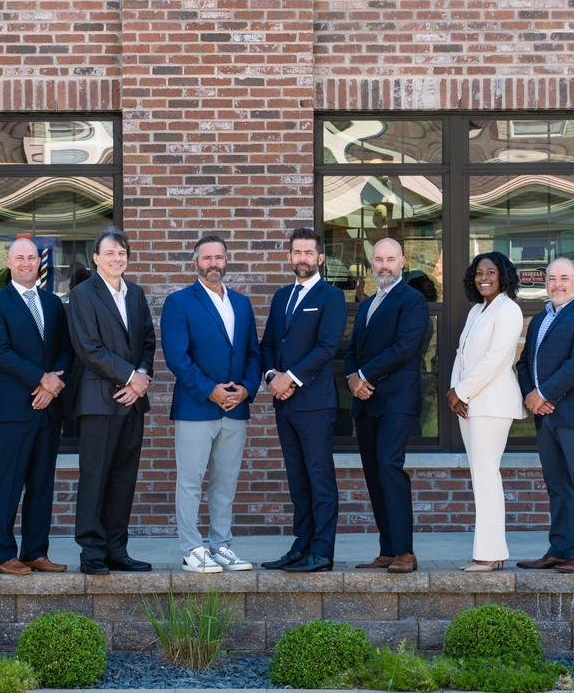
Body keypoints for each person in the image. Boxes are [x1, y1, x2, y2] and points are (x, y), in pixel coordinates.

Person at [160, 234, 260, 573]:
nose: (213, 263)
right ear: (195, 263)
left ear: (226, 261)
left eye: (219, 257)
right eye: (207, 258)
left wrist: (246, 389)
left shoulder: (242, 304)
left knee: (225, 482)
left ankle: (221, 545)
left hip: (236, 407)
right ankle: (192, 549)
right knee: (191, 481)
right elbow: (177, 357)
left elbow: (252, 353)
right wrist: (210, 391)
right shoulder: (179, 302)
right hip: (196, 407)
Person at [0, 238, 74, 576]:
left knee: (41, 483)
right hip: (14, 408)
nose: (26, 263)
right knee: (8, 482)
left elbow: (65, 349)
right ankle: (3, 554)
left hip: (48, 407)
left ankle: (36, 551)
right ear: (9, 262)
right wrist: (41, 379)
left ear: (40, 262)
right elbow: (0, 352)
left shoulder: (53, 303)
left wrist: (53, 384)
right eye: (19, 258)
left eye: (31, 257)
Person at [67, 226, 156, 575]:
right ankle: (92, 552)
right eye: (110, 253)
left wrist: (141, 377)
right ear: (95, 258)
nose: (117, 259)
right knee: (95, 477)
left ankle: (117, 549)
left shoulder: (135, 293)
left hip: (132, 401)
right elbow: (89, 348)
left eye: (122, 253)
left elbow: (147, 340)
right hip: (98, 402)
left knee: (123, 478)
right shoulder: (83, 294)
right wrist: (131, 376)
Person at [259, 228, 346, 573]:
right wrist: (271, 376)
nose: (303, 258)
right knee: (297, 478)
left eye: (309, 252)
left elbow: (327, 347)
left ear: (320, 257)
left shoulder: (331, 296)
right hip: (284, 403)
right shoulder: (282, 296)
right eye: (297, 252)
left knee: (319, 477)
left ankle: (322, 551)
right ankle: (302, 544)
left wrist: (290, 378)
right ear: (289, 256)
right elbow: (268, 343)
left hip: (314, 403)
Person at [515, 257, 574, 574]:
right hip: (546, 417)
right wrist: (531, 396)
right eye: (552, 279)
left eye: (564, 278)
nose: (557, 284)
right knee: (557, 485)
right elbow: (524, 363)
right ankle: (561, 548)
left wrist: (544, 394)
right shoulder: (540, 319)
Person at [344, 239, 429, 574]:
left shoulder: (412, 300)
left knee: (389, 468)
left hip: (396, 401)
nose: (384, 265)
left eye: (390, 259)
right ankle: (387, 549)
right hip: (365, 402)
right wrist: (352, 378)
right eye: (378, 259)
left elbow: (405, 347)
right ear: (372, 264)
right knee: (374, 474)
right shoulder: (367, 304)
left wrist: (363, 375)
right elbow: (353, 349)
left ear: (402, 261)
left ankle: (405, 551)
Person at [446, 252, 525, 572]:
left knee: (486, 475)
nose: (484, 278)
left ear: (503, 275)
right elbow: (461, 353)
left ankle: (490, 553)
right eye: (479, 273)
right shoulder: (477, 310)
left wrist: (461, 391)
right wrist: (454, 392)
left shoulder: (509, 310)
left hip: (492, 404)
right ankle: (491, 551)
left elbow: (496, 359)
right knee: (481, 475)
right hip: (470, 404)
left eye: (490, 272)